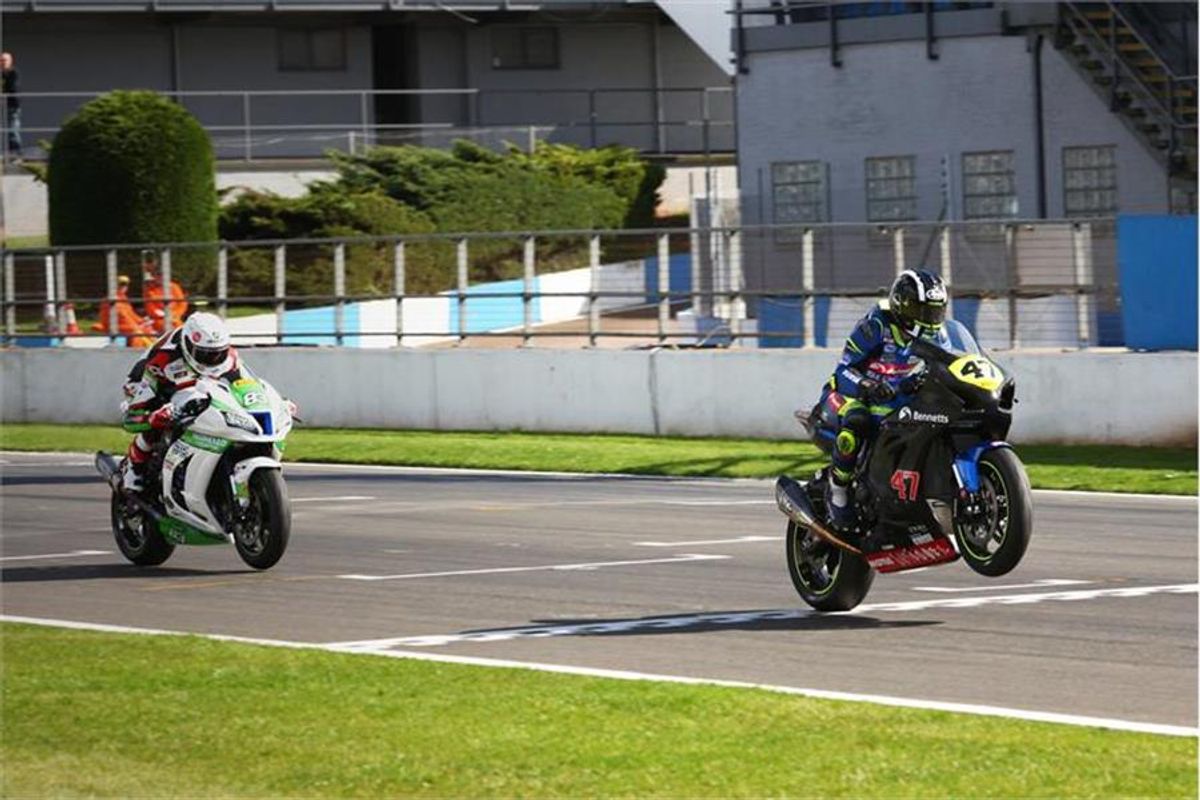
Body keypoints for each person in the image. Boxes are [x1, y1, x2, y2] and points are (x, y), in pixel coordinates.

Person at [816, 268, 949, 530]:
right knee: (858, 421)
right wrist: (869, 384)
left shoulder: (939, 334)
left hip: (897, 400)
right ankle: (838, 490)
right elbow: (844, 369)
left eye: (935, 311)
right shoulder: (876, 326)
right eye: (921, 311)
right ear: (902, 305)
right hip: (851, 394)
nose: (929, 319)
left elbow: (948, 363)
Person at [119, 312, 242, 493]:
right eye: (204, 354)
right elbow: (130, 419)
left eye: (218, 354)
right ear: (187, 345)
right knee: (157, 422)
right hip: (150, 379)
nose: (213, 360)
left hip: (192, 381)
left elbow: (244, 384)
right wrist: (153, 417)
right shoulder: (162, 359)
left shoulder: (229, 356)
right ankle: (134, 468)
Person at [91, 274, 155, 348]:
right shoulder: (110, 300)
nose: (123, 287)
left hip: (127, 328)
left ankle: (153, 351)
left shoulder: (124, 299)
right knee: (137, 334)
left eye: (125, 285)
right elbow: (123, 318)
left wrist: (142, 321)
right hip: (117, 328)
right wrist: (137, 326)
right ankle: (137, 354)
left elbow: (131, 315)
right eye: (120, 285)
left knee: (148, 330)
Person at [140, 249, 189, 334]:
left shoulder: (174, 287)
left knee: (180, 329)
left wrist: (175, 314)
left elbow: (182, 304)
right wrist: (162, 315)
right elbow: (149, 307)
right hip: (157, 320)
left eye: (162, 274)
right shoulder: (149, 289)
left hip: (174, 318)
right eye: (157, 275)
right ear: (154, 276)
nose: (160, 277)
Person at [1, 52, 21, 162]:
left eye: (5, 60)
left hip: (12, 105)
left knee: (13, 130)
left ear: (10, 61)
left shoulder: (13, 73)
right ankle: (5, 154)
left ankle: (16, 155)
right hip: (3, 106)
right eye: (1, 60)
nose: (3, 62)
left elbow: (13, 88)